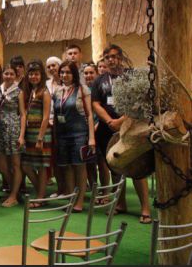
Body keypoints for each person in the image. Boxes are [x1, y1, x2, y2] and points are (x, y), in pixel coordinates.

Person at [91, 44, 152, 224]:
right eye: (107, 57)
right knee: (115, 166)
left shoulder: (132, 76)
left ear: (121, 57)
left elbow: (141, 101)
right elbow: (95, 103)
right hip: (107, 129)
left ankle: (145, 208)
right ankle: (120, 203)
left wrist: (122, 121)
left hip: (131, 127)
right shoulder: (100, 80)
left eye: (114, 56)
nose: (111, 60)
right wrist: (110, 121)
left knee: (136, 167)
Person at [52, 60, 96, 212]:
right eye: (62, 72)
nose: (64, 75)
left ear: (74, 74)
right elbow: (56, 115)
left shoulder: (83, 89)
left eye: (68, 72)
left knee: (79, 167)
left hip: (79, 133)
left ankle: (80, 201)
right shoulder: (57, 91)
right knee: (67, 167)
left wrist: (91, 138)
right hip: (62, 134)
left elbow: (89, 115)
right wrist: (55, 137)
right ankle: (71, 198)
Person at [0, 66, 26, 207]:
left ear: (15, 76)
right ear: (2, 75)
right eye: (6, 73)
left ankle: (13, 195)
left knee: (15, 164)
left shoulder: (19, 92)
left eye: (11, 74)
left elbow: (23, 114)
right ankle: (15, 190)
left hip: (14, 129)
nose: (8, 76)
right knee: (1, 165)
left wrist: (21, 135)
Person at [20, 61, 52, 202]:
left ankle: (40, 196)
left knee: (42, 166)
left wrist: (40, 138)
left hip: (41, 134)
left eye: (36, 74)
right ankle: (41, 192)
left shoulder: (45, 92)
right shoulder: (31, 91)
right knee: (26, 165)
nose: (33, 77)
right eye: (31, 74)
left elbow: (46, 117)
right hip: (29, 134)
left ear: (41, 75)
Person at [83, 63, 110, 191]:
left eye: (91, 72)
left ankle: (105, 192)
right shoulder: (82, 90)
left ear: (96, 73)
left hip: (100, 130)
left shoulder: (101, 89)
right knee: (89, 163)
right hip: (85, 131)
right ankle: (95, 191)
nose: (88, 75)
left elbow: (105, 109)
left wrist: (98, 125)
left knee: (102, 162)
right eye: (86, 73)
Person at [45, 56, 65, 197]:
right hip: (48, 124)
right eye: (49, 66)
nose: (52, 68)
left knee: (64, 158)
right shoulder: (46, 83)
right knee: (55, 159)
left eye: (54, 65)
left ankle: (70, 189)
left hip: (64, 125)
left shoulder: (67, 82)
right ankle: (60, 189)